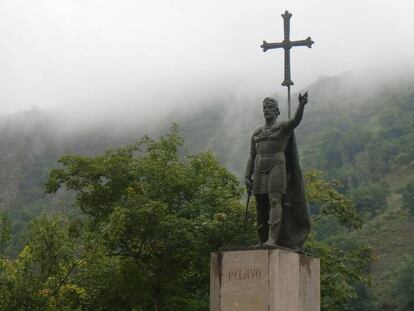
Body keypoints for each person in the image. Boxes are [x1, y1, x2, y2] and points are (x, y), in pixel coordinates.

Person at [245, 93, 310, 248]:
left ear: (276, 111)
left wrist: (301, 105)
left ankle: (272, 239)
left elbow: (295, 121)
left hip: (277, 166)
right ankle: (262, 239)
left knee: (274, 201)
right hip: (259, 168)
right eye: (264, 107)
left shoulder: (281, 127)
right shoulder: (257, 132)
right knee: (260, 203)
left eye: (270, 107)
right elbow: (252, 155)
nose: (266, 110)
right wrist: (247, 175)